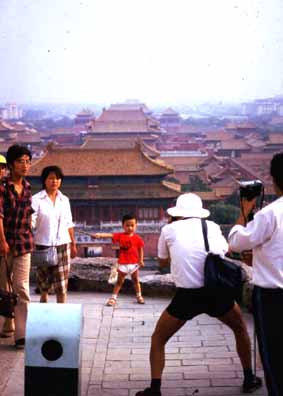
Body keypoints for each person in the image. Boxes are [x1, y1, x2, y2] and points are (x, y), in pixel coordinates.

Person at [136, 193, 262, 396]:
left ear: (177, 213)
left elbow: (161, 262)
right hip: (215, 291)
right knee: (239, 329)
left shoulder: (168, 230)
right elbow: (225, 249)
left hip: (187, 295)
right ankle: (249, 378)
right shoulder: (211, 227)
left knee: (158, 338)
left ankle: (155, 389)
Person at [228, 152, 283, 396]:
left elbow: (236, 242)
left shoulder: (269, 214)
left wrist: (244, 212)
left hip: (273, 298)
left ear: (275, 180)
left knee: (274, 356)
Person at [0, 145, 33, 349]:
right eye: (21, 161)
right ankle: (7, 320)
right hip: (4, 243)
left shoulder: (28, 187)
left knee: (21, 287)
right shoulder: (2, 187)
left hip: (23, 243)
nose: (25, 165)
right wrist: (2, 241)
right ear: (11, 164)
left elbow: (29, 213)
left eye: (28, 161)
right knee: (4, 287)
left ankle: (22, 334)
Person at [32, 166, 77, 304]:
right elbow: (32, 220)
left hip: (63, 244)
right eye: (51, 178)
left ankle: (61, 312)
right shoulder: (36, 199)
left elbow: (69, 223)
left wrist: (73, 244)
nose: (55, 181)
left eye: (57, 178)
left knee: (62, 283)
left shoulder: (65, 200)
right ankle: (44, 305)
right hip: (42, 245)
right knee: (43, 282)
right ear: (44, 180)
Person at [92, 213, 145, 306]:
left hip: (134, 263)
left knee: (136, 280)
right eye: (127, 225)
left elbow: (140, 249)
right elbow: (110, 235)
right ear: (123, 226)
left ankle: (139, 296)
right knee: (120, 281)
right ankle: (113, 297)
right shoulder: (120, 236)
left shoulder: (138, 238)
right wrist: (99, 235)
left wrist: (141, 260)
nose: (130, 227)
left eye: (132, 225)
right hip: (123, 263)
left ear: (136, 225)